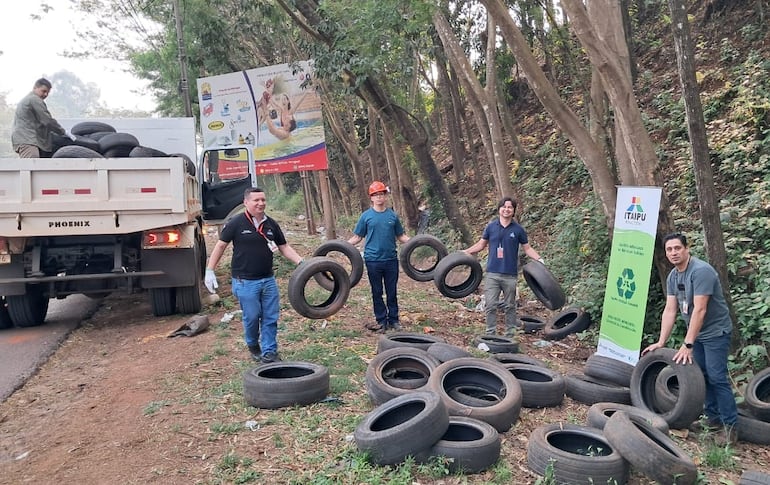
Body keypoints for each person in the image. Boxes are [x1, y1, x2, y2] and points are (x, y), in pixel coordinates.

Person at [642, 233, 737, 442]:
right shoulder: (673, 276)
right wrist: (661, 341)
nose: (673, 253)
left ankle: (731, 427)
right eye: (669, 250)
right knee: (702, 375)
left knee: (717, 376)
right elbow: (670, 310)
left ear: (686, 249)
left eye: (677, 248)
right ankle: (713, 419)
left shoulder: (701, 271)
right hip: (698, 333)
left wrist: (687, 343)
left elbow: (700, 310)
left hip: (715, 332)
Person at [204, 187, 305, 363]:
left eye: (263, 200)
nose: (260, 203)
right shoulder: (236, 223)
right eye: (256, 200)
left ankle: (269, 352)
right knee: (252, 317)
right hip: (245, 281)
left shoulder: (271, 224)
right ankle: (252, 344)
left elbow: (283, 246)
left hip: (268, 280)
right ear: (246, 202)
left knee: (270, 317)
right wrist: (210, 270)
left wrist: (302, 263)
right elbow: (220, 246)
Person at [464, 197, 543, 337]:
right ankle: (490, 334)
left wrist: (539, 259)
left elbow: (527, 248)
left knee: (510, 306)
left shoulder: (518, 230)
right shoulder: (491, 227)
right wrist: (466, 252)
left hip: (510, 275)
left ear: (513, 211)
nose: (506, 209)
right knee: (490, 304)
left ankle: (510, 335)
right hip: (492, 273)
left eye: (510, 207)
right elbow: (481, 245)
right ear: (499, 209)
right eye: (504, 207)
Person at [348, 181, 410, 332]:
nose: (379, 198)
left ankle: (394, 320)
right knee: (376, 291)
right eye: (376, 195)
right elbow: (357, 237)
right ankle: (381, 321)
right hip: (372, 260)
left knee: (391, 291)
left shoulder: (392, 216)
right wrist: (340, 247)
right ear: (371, 198)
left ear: (385, 196)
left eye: (381, 194)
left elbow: (401, 236)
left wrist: (418, 242)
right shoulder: (366, 217)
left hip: (390, 260)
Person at [11, 78, 66, 158]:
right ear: (35, 88)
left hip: (26, 139)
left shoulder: (28, 99)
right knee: (32, 166)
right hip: (28, 140)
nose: (46, 94)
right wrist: (63, 132)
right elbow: (47, 121)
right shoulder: (34, 99)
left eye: (47, 92)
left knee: (37, 167)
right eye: (43, 91)